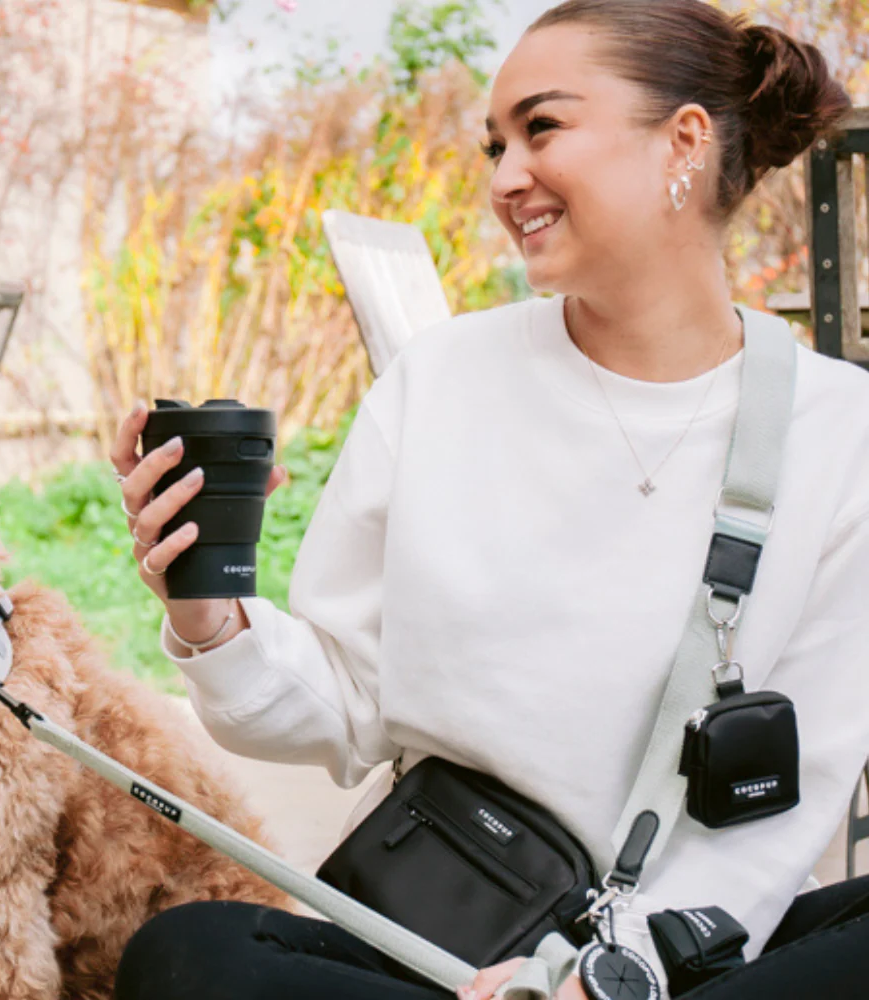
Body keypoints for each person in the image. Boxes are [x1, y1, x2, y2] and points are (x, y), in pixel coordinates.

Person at [109, 1, 869, 997]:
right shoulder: (441, 381)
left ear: (683, 140)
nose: (506, 177)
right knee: (192, 955)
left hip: (677, 958)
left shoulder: (841, 430)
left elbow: (787, 799)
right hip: (446, 944)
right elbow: (342, 706)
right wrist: (208, 618)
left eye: (541, 128)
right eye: (494, 144)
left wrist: (606, 980)